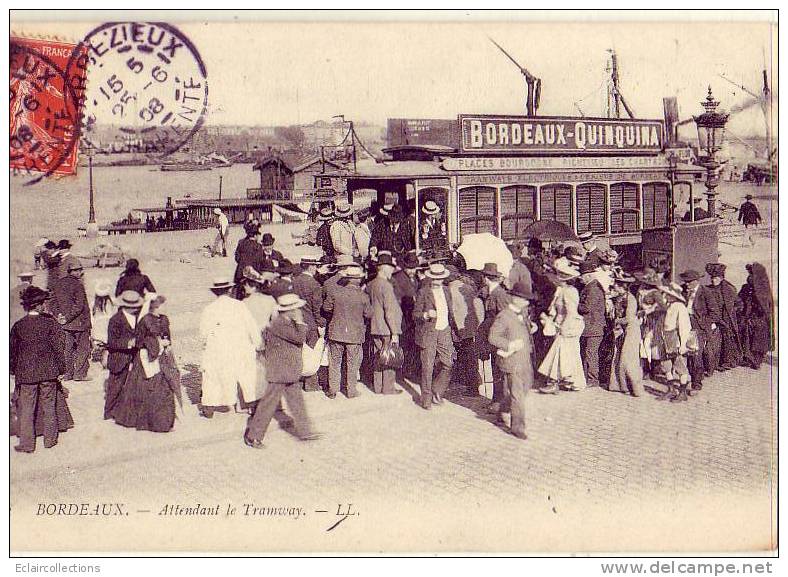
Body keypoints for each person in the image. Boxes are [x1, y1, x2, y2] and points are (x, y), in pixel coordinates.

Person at [243, 293, 321, 448]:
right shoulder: (279, 324)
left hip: (288, 370)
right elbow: (299, 338)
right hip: (279, 372)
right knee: (268, 405)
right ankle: (253, 436)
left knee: (296, 402)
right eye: (297, 308)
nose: (299, 311)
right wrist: (300, 322)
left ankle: (305, 431)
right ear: (290, 310)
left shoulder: (285, 322)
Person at [10, 286, 73, 453]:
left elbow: (12, 352)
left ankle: (27, 444)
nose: (45, 305)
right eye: (43, 303)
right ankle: (50, 440)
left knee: (27, 409)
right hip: (48, 372)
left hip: (26, 374)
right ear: (38, 305)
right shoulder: (49, 324)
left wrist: (12, 370)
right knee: (49, 405)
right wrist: (61, 369)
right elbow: (58, 349)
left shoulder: (18, 326)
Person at [112, 296, 179, 432]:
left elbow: (167, 336)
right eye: (163, 305)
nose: (166, 307)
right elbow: (139, 340)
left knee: (164, 388)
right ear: (155, 307)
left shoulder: (164, 319)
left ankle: (163, 421)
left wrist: (167, 344)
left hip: (162, 357)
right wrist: (155, 344)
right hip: (146, 357)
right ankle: (148, 421)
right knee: (143, 387)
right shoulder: (145, 320)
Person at [198, 278, 261, 418]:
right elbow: (252, 327)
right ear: (230, 290)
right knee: (245, 375)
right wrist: (257, 343)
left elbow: (203, 333)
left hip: (218, 347)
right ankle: (250, 404)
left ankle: (209, 406)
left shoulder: (209, 309)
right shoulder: (239, 306)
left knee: (213, 376)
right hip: (240, 346)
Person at [488, 281, 535, 439]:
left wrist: (531, 327)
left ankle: (502, 408)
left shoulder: (522, 313)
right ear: (514, 298)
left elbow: (522, 329)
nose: (527, 302)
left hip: (525, 359)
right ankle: (517, 427)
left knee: (526, 388)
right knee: (518, 394)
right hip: (512, 361)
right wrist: (509, 344)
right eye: (524, 299)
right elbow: (492, 337)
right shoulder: (504, 316)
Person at [537, 261, 586, 393]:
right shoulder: (563, 290)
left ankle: (554, 382)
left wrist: (564, 326)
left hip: (568, 326)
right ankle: (570, 380)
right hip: (562, 324)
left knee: (559, 352)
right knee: (567, 354)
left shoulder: (569, 292)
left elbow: (571, 312)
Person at [323, 265, 371, 399]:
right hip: (354, 335)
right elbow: (369, 314)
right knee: (352, 363)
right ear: (358, 280)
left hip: (336, 332)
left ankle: (332, 390)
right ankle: (351, 391)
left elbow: (326, 308)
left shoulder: (336, 292)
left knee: (334, 362)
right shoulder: (363, 296)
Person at [413, 263, 455, 410]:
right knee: (428, 366)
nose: (438, 281)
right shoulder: (423, 292)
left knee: (448, 363)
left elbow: (450, 312)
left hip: (444, 330)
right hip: (429, 332)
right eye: (435, 278)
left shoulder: (446, 291)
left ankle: (437, 390)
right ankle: (426, 398)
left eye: (440, 278)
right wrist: (425, 315)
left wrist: (453, 329)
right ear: (431, 278)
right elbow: (415, 315)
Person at [366, 253, 403, 395]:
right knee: (389, 357)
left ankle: (377, 387)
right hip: (387, 328)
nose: (392, 270)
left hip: (375, 326)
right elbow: (389, 311)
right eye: (390, 267)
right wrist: (395, 332)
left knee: (378, 356)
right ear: (383, 268)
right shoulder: (386, 286)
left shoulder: (371, 284)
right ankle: (388, 388)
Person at [103, 291, 143, 420]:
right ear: (127, 306)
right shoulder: (115, 320)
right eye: (135, 306)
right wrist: (128, 343)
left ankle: (128, 412)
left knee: (134, 385)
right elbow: (111, 342)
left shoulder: (139, 318)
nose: (137, 308)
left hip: (135, 357)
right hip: (119, 358)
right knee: (115, 387)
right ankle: (109, 412)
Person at [478, 263, 511, 412]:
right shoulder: (491, 293)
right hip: (492, 337)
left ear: (486, 278)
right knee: (494, 369)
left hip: (500, 338)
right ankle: (495, 400)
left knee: (499, 370)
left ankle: (501, 403)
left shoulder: (499, 294)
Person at [680, 269, 720, 393]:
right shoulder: (683, 291)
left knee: (696, 355)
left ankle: (696, 384)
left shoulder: (706, 293)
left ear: (696, 281)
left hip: (698, 329)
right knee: (685, 355)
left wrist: (702, 324)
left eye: (689, 282)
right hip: (684, 326)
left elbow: (715, 314)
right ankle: (686, 378)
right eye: (685, 282)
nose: (686, 284)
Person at [52, 261, 92, 382]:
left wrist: (59, 315)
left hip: (64, 323)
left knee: (67, 349)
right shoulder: (78, 284)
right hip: (79, 323)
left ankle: (68, 374)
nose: (80, 272)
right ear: (72, 272)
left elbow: (52, 302)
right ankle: (80, 374)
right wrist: (68, 317)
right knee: (83, 349)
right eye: (78, 270)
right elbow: (79, 306)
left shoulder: (58, 283)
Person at [291, 256, 325, 392]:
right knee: (311, 353)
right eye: (315, 266)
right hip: (311, 324)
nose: (316, 268)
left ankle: (296, 382)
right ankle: (311, 384)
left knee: (298, 352)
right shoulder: (314, 285)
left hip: (297, 322)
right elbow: (316, 309)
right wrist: (320, 325)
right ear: (311, 266)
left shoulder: (294, 282)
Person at [608, 273, 644, 397]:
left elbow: (628, 318)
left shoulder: (631, 299)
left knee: (628, 359)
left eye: (616, 286)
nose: (614, 288)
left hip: (632, 330)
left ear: (622, 286)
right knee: (618, 357)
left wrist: (617, 321)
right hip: (622, 331)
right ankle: (621, 386)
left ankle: (635, 388)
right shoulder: (620, 298)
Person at [658, 283, 694, 402]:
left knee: (679, 365)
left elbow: (684, 327)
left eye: (668, 294)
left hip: (675, 339)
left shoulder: (680, 307)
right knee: (666, 365)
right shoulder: (668, 306)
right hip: (665, 338)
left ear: (674, 296)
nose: (665, 296)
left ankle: (682, 392)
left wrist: (683, 344)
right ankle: (671, 389)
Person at [704, 263, 743, 371]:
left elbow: (739, 304)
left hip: (727, 320)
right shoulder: (708, 289)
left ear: (721, 278)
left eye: (715, 278)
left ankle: (726, 361)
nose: (713, 280)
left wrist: (732, 312)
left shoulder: (729, 289)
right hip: (714, 318)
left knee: (727, 340)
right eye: (712, 278)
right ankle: (713, 362)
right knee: (714, 340)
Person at [392, 251, 421, 381]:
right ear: (404, 266)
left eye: (413, 268)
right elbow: (396, 300)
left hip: (413, 318)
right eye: (409, 268)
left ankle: (410, 370)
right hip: (403, 317)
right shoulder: (398, 278)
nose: (411, 271)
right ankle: (403, 372)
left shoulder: (416, 278)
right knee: (405, 345)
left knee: (412, 345)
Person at [738, 263, 774, 370]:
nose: (750, 277)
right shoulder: (746, 288)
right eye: (750, 274)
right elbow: (739, 299)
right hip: (748, 316)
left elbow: (765, 308)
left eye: (752, 274)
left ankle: (756, 358)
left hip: (760, 317)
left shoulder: (763, 290)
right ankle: (747, 356)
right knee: (743, 327)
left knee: (759, 333)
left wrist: (753, 316)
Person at [578, 260, 606, 388]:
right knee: (589, 353)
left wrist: (574, 304)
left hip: (593, 327)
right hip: (591, 327)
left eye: (582, 275)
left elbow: (587, 307)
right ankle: (588, 377)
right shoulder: (592, 287)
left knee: (591, 353)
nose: (580, 278)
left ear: (588, 275)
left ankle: (593, 379)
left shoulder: (593, 289)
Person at [91, 279, 115, 351]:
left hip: (97, 332)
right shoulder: (111, 303)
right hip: (108, 330)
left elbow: (92, 319)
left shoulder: (93, 304)